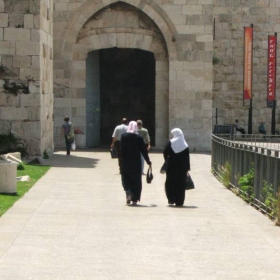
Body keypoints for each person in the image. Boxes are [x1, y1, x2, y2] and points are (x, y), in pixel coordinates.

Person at [121, 121, 152, 205]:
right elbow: (144, 151)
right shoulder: (139, 138)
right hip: (136, 163)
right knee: (136, 180)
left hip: (126, 162)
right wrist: (148, 161)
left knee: (126, 178)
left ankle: (128, 193)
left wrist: (121, 162)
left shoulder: (124, 136)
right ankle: (135, 198)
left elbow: (122, 150)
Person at [163, 128, 190, 207]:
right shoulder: (185, 145)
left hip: (171, 167)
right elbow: (187, 157)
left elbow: (165, 152)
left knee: (170, 182)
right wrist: (187, 167)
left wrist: (167, 160)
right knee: (180, 184)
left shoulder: (170, 143)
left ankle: (171, 199)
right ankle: (179, 201)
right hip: (182, 168)